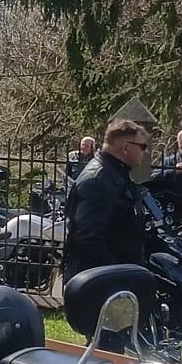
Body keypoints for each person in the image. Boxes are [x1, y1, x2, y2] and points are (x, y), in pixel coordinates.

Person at [60, 120, 154, 282]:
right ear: (126, 148)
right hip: (98, 281)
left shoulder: (116, 173)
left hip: (111, 276)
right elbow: (87, 239)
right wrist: (120, 276)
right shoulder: (97, 180)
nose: (144, 152)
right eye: (142, 146)